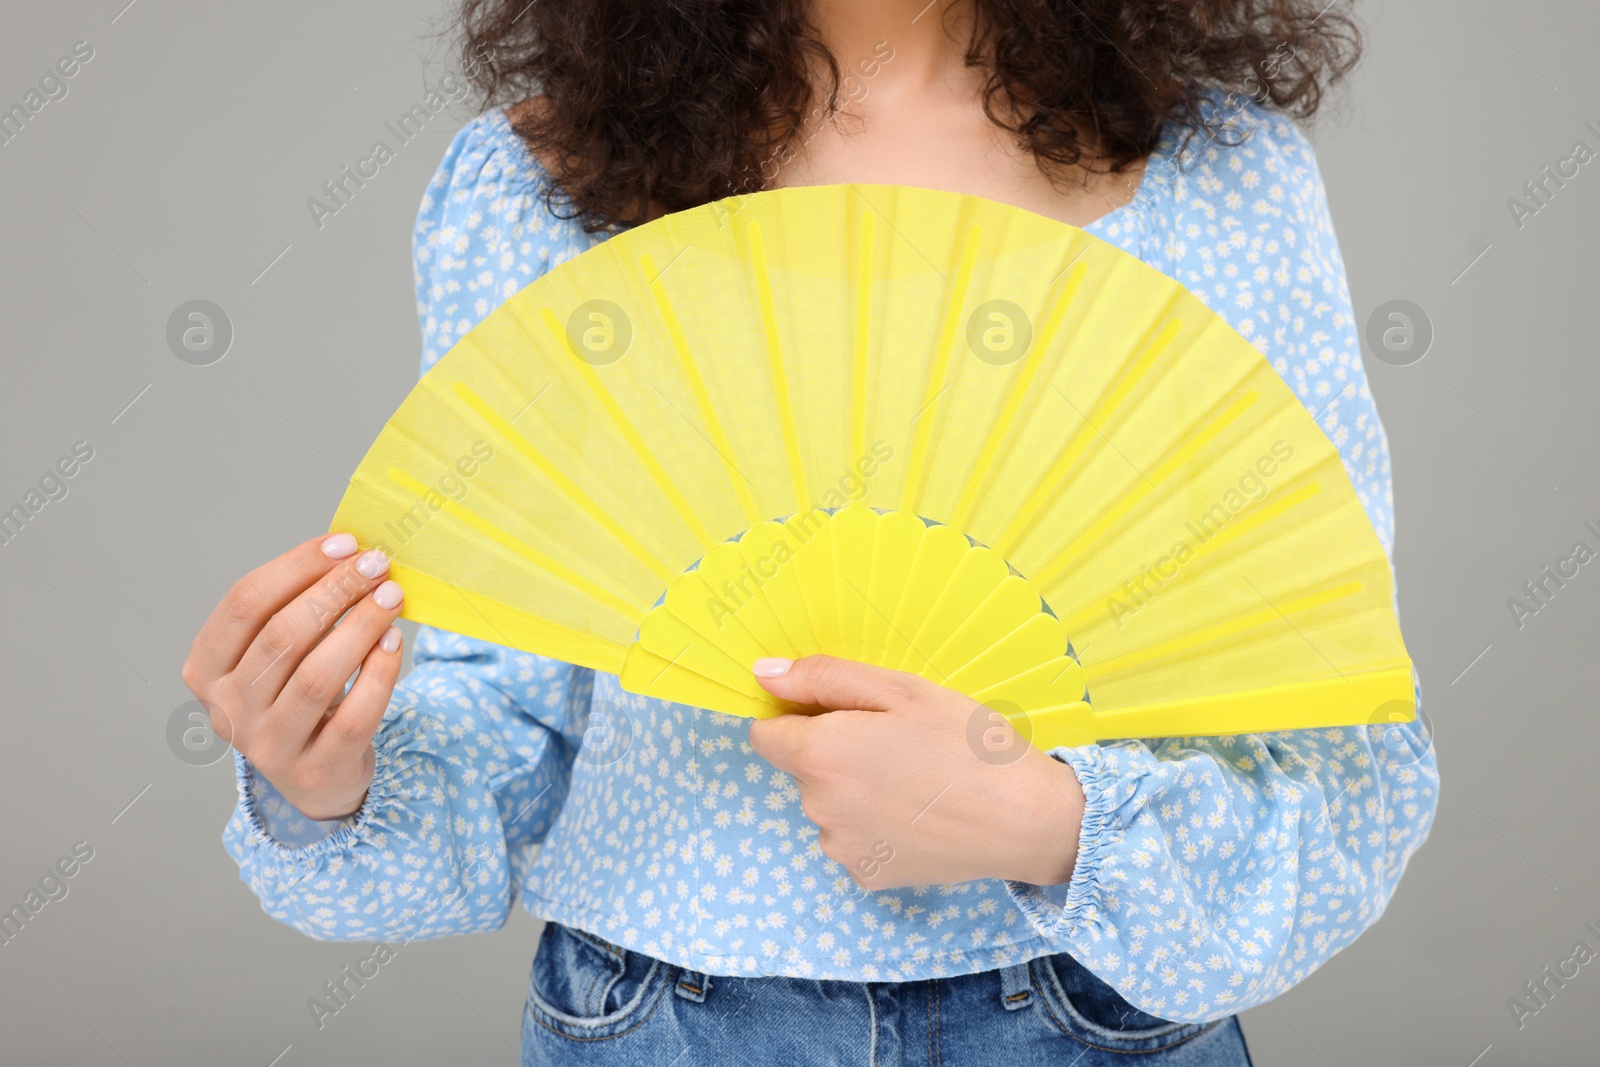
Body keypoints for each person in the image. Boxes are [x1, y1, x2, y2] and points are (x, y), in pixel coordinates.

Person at [181, 2, 1437, 1063]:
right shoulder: (542, 190)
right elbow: (502, 709)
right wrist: (332, 775)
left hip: (1092, 1022)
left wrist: (1042, 815)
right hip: (657, 1020)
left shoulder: (1219, 181)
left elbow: (1335, 751)